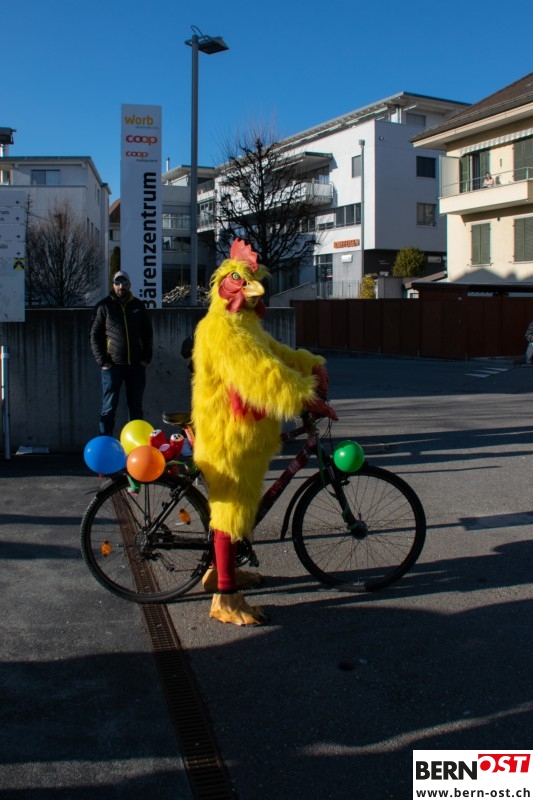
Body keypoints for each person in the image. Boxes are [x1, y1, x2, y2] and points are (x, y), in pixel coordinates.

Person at [191, 238, 336, 626]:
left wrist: (309, 364)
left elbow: (275, 354)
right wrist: (306, 397)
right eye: (239, 280)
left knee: (238, 507)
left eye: (251, 282)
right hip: (229, 436)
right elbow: (260, 375)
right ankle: (224, 598)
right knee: (231, 510)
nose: (251, 288)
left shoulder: (245, 325)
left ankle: (220, 572)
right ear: (224, 286)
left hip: (245, 434)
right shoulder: (223, 329)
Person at [90, 271, 153, 435]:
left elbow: (147, 333)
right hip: (113, 367)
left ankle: (136, 443)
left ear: (129, 285)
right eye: (117, 283)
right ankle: (106, 441)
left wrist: (146, 359)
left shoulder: (138, 306)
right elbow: (94, 335)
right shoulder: (104, 306)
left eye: (124, 283)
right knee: (108, 408)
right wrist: (103, 361)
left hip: (136, 366)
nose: (121, 287)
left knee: (136, 408)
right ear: (113, 285)